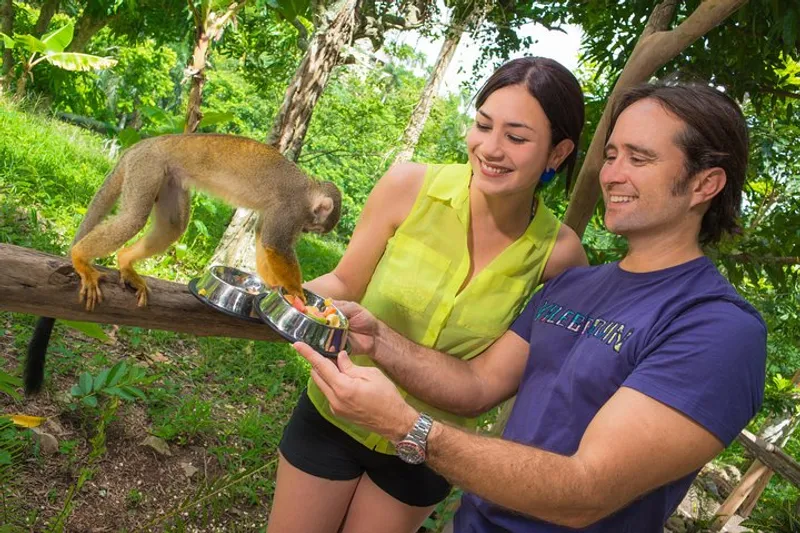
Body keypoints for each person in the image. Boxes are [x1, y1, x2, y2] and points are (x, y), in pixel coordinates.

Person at [295, 81, 768, 532]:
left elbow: (586, 491)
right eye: (611, 155)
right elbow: (478, 385)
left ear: (704, 184)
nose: (612, 174)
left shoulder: (718, 329)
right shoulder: (575, 287)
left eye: (639, 158)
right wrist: (377, 338)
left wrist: (404, 425)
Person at [266, 57, 589, 533]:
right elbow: (345, 283)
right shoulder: (408, 185)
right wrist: (270, 290)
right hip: (337, 408)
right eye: (483, 125)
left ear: (557, 153)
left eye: (517, 138)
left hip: (427, 447)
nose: (490, 148)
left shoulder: (560, 255)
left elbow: (492, 382)